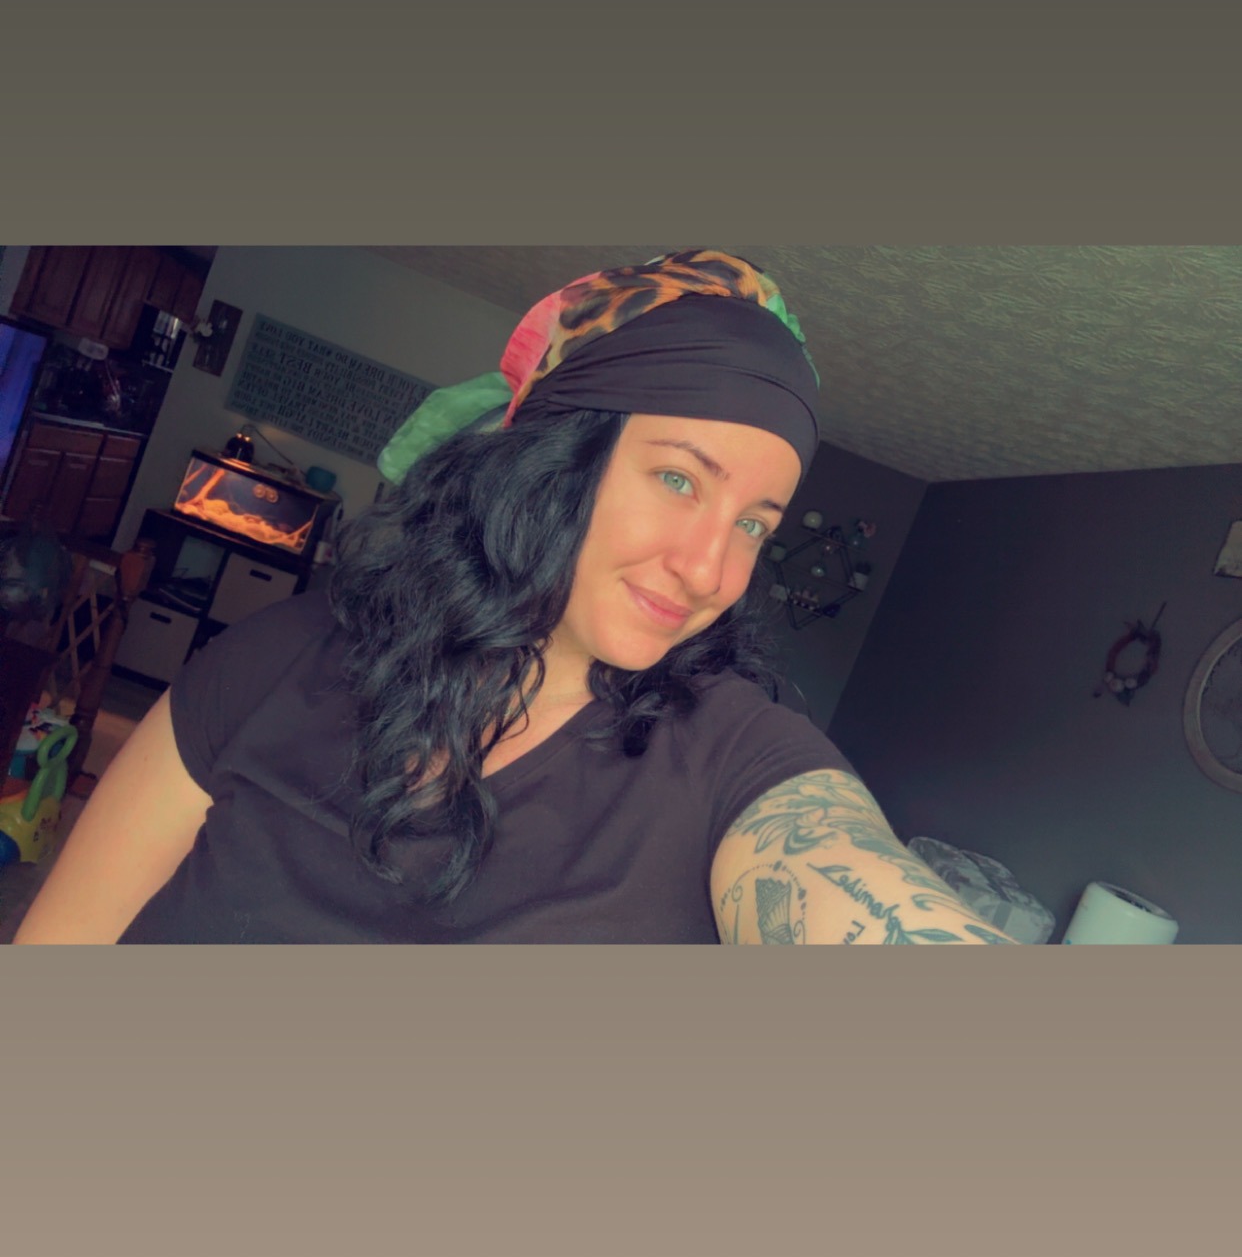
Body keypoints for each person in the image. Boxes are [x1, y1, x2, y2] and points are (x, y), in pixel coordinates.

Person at [14, 250, 1015, 945]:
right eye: (678, 478)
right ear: (552, 463)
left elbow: (848, 877)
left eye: (755, 523)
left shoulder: (733, 757)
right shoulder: (281, 658)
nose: (711, 570)